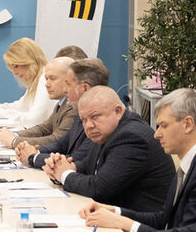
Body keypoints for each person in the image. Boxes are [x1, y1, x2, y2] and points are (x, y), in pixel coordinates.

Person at [77, 87, 196, 232]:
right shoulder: (190, 165)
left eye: (163, 126)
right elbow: (162, 219)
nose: (157, 134)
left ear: (188, 124)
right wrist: (115, 212)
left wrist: (123, 224)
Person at [43, 85, 174, 213]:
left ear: (118, 111)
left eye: (95, 117)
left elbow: (99, 188)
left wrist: (64, 174)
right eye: (84, 120)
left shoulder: (131, 137)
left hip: (137, 222)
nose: (88, 125)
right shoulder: (106, 131)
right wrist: (60, 168)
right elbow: (88, 165)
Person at [17, 57, 108, 171]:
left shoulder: (100, 121)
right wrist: (35, 151)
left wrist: (33, 157)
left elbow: (77, 158)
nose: (65, 90)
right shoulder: (80, 112)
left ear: (85, 88)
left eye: (68, 84)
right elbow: (62, 143)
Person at [0, 56, 75, 149]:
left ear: (69, 79)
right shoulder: (62, 102)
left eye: (52, 78)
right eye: (46, 79)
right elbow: (44, 129)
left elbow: (57, 140)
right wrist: (15, 134)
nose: (47, 84)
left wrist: (14, 141)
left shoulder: (73, 106)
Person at [0, 38, 53, 129]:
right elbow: (20, 106)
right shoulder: (36, 81)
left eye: (16, 66)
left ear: (29, 61)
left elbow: (34, 120)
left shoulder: (45, 80)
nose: (14, 72)